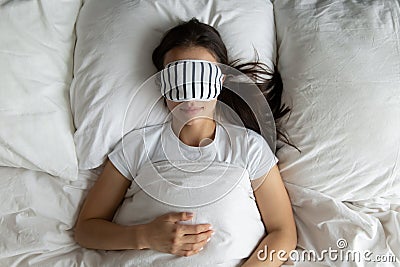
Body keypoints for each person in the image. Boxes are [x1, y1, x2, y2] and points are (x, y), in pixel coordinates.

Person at [74, 18, 297, 267]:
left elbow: (283, 233)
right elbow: (86, 229)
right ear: (162, 85)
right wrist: (144, 235)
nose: (190, 96)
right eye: (179, 79)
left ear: (220, 81)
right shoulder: (137, 147)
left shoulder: (249, 147)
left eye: (200, 79)